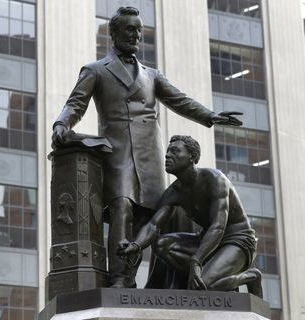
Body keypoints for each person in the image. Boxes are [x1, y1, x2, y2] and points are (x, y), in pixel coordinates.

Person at [52, 6, 243, 288]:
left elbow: (180, 99)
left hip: (151, 154)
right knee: (122, 207)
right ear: (114, 33)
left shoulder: (152, 75)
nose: (135, 35)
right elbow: (75, 103)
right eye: (129, 30)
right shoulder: (95, 70)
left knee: (154, 216)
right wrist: (61, 124)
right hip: (117, 153)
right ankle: (120, 279)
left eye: (139, 31)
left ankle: (155, 282)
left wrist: (209, 116)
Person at [118, 135, 262, 297]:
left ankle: (250, 276)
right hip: (206, 241)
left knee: (204, 286)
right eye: (167, 152)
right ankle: (216, 274)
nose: (167, 155)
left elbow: (218, 227)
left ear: (192, 157)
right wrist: (135, 245)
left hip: (237, 241)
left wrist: (196, 261)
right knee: (161, 244)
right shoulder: (174, 193)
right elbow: (154, 226)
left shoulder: (215, 180)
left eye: (175, 151)